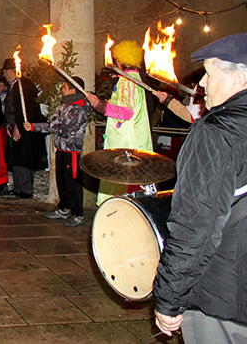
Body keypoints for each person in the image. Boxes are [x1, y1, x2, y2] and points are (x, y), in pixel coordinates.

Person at [152, 33, 247, 342]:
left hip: (223, 298)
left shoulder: (217, 132)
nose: (202, 83)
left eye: (209, 74)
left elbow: (196, 226)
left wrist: (170, 296)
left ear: (237, 80)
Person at [86, 40, 152, 205]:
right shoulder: (133, 79)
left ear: (120, 60)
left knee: (126, 188)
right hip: (132, 139)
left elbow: (126, 112)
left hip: (127, 142)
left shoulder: (128, 81)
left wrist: (99, 105)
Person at [24, 77, 91, 226]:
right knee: (61, 181)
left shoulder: (78, 109)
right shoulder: (64, 106)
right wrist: (33, 126)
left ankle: (78, 214)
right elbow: (53, 123)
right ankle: (64, 208)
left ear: (73, 90)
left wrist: (35, 127)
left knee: (72, 182)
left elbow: (62, 128)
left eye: (65, 87)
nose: (63, 90)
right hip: (61, 148)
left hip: (72, 151)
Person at [1, 58, 48, 198]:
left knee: (25, 158)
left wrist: (18, 126)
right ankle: (18, 187)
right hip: (13, 127)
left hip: (24, 129)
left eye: (5, 72)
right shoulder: (14, 85)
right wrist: (8, 125)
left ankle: (26, 189)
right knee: (16, 158)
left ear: (10, 72)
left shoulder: (24, 86)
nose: (4, 75)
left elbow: (24, 109)